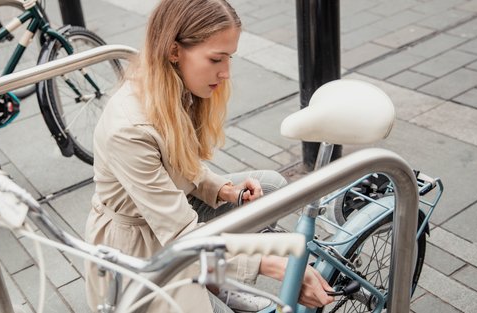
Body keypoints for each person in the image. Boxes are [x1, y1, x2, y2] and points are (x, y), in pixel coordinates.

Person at [84, 0, 334, 312]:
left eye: (229, 58)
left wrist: (225, 191)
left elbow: (179, 167)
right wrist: (278, 265)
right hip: (138, 245)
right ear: (174, 51)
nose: (226, 72)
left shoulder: (174, 86)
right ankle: (212, 279)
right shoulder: (129, 129)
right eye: (216, 59)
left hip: (171, 213)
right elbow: (181, 235)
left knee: (270, 187)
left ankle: (214, 276)